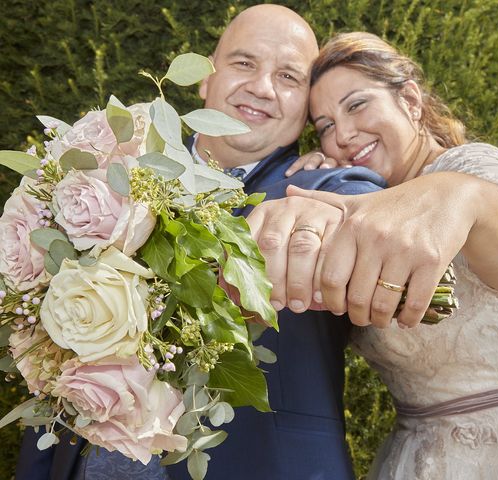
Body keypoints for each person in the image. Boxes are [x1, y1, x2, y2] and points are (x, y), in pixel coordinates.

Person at [247, 32, 498, 479]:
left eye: (356, 106)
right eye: (326, 127)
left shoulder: (472, 170)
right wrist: (326, 188)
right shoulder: (354, 211)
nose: (345, 134)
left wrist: (461, 196)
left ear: (410, 100)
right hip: (424, 462)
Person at [15, 8, 385, 480]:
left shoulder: (328, 189)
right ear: (205, 77)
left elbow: (373, 218)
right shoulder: (108, 179)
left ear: (306, 107)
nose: (262, 87)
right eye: (244, 63)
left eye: (288, 76)